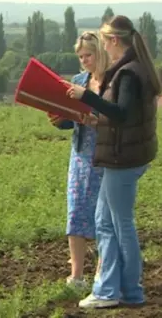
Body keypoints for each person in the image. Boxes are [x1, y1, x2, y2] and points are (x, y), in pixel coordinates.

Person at [64, 15, 162, 308]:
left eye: (104, 41)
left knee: (114, 224)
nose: (103, 47)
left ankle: (111, 291)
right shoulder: (132, 69)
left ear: (114, 41)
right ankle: (125, 291)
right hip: (127, 156)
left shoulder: (128, 73)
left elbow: (120, 114)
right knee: (110, 223)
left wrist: (87, 98)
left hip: (122, 159)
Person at [48, 31, 108, 290]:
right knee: (76, 213)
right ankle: (76, 276)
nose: (85, 60)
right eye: (81, 56)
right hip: (80, 156)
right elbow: (72, 119)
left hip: (105, 157)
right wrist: (59, 119)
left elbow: (119, 119)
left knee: (103, 217)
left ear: (100, 53)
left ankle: (101, 274)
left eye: (89, 55)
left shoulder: (112, 84)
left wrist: (97, 120)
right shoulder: (78, 81)